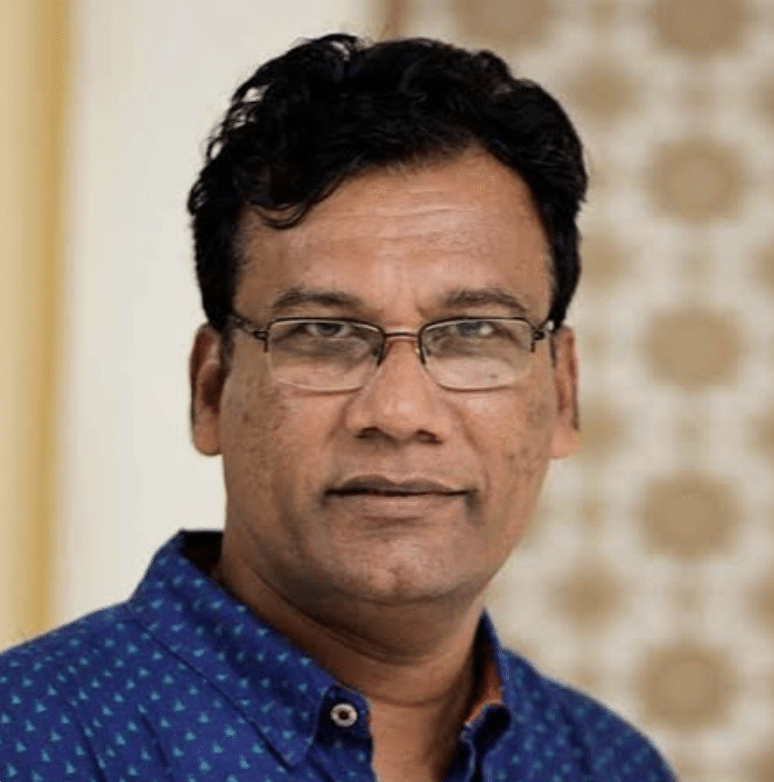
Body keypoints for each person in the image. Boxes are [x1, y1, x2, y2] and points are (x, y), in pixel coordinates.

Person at [0, 33, 677, 782]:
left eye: (473, 332)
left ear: (562, 394)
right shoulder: (26, 738)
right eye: (322, 333)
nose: (398, 410)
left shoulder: (608, 764)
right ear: (212, 389)